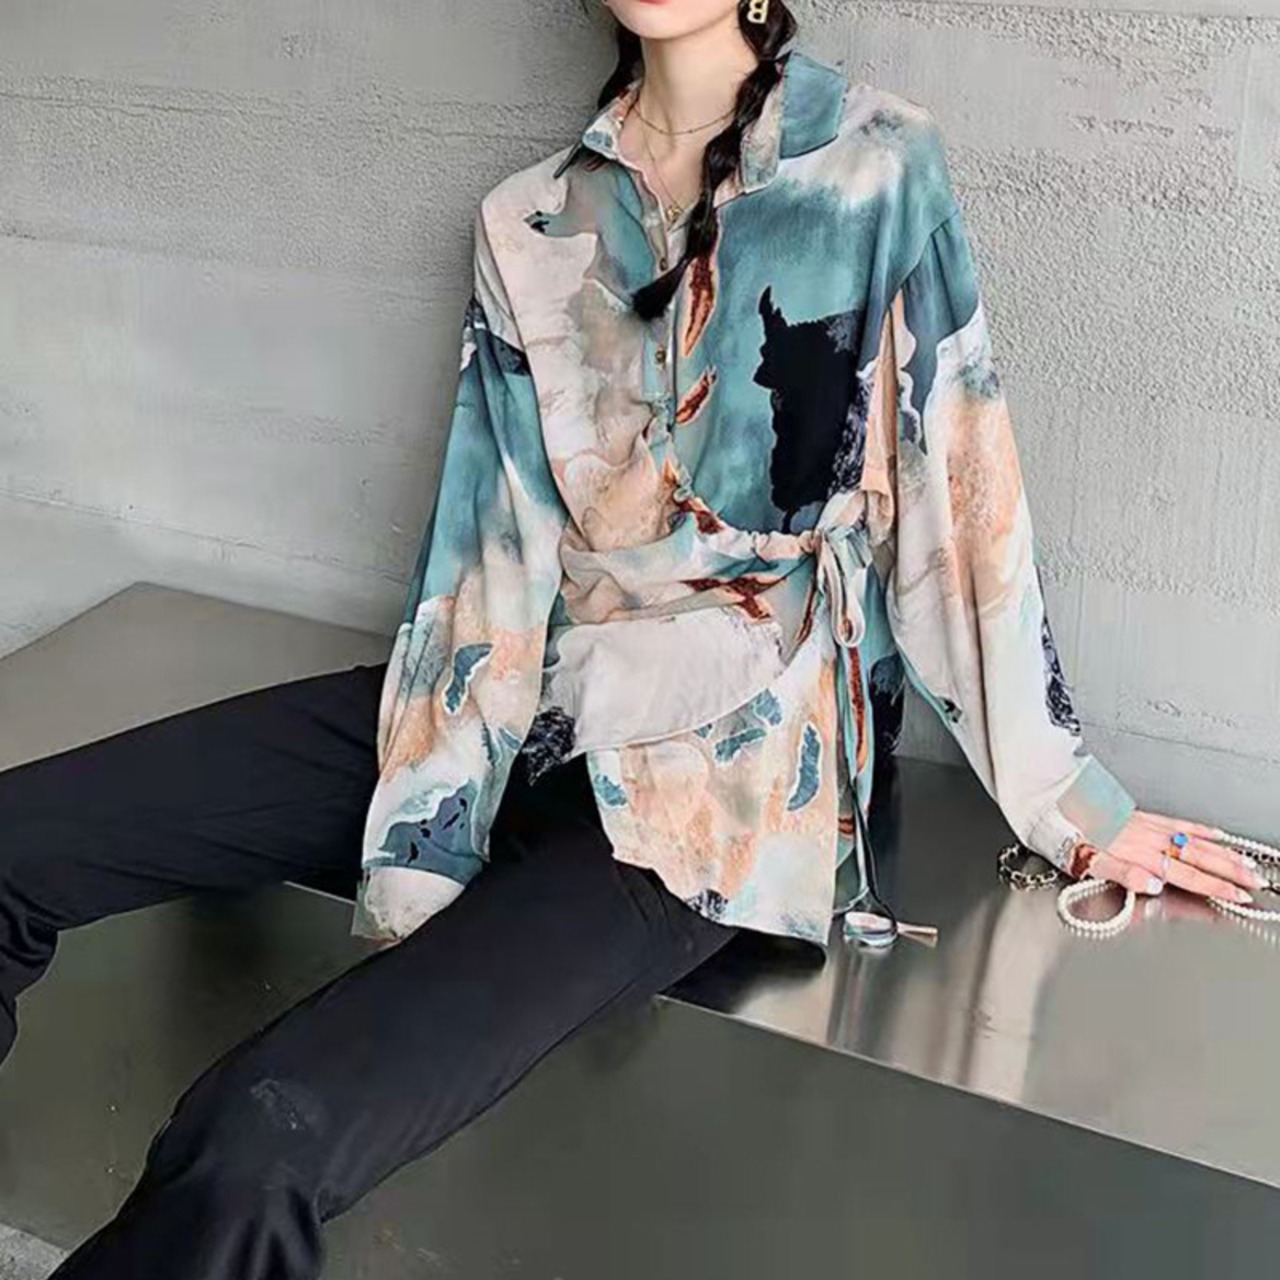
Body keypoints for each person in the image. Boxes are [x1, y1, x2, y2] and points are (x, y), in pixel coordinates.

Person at [0, 2, 1261, 1276]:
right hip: (514, 688)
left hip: (721, 776)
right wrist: (430, 830)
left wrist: (1065, 797)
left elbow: (959, 499)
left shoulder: (874, 167)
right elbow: (488, 545)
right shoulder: (530, 220)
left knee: (255, 1138)